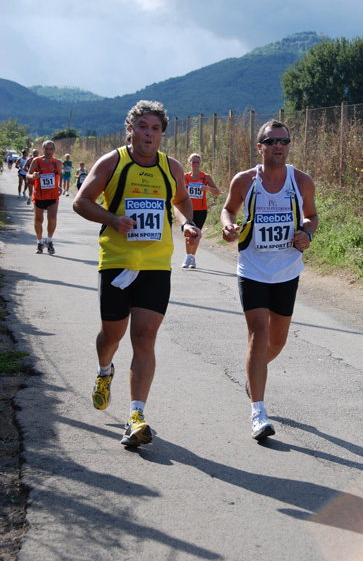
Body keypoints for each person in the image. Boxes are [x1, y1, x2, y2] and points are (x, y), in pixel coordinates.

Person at [73, 100, 201, 447]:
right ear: (130, 129)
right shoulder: (113, 162)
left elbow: (181, 199)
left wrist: (188, 222)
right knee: (111, 335)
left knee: (144, 337)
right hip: (116, 261)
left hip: (156, 264)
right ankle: (104, 372)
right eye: (142, 127)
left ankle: (136, 415)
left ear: (162, 133)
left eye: (155, 128)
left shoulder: (170, 167)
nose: (148, 133)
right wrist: (113, 220)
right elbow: (81, 201)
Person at [220, 119, 318, 441]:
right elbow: (228, 210)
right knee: (258, 336)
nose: (279, 145)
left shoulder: (300, 181)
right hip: (253, 269)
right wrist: (228, 226)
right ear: (259, 147)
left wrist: (307, 233)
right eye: (272, 140)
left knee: (276, 342)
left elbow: (312, 216)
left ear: (289, 146)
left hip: (287, 270)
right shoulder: (245, 181)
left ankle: (254, 373)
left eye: (284, 140)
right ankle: (258, 412)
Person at [182, 153, 219, 268]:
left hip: (201, 210)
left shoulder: (205, 177)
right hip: (188, 210)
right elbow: (177, 190)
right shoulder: (185, 177)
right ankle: (188, 257)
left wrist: (207, 187)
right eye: (193, 162)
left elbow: (217, 192)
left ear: (200, 163)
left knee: (196, 234)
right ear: (189, 163)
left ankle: (192, 257)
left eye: (197, 162)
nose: (195, 164)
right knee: (188, 234)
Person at [26, 140, 63, 255]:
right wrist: (33, 176)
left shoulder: (58, 162)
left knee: (52, 218)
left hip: (53, 196)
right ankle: (39, 241)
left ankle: (49, 240)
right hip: (39, 196)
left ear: (54, 150)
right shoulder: (36, 161)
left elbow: (60, 175)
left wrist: (60, 186)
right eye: (46, 149)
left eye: (51, 149)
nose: (49, 151)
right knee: (38, 220)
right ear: (43, 150)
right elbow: (28, 174)